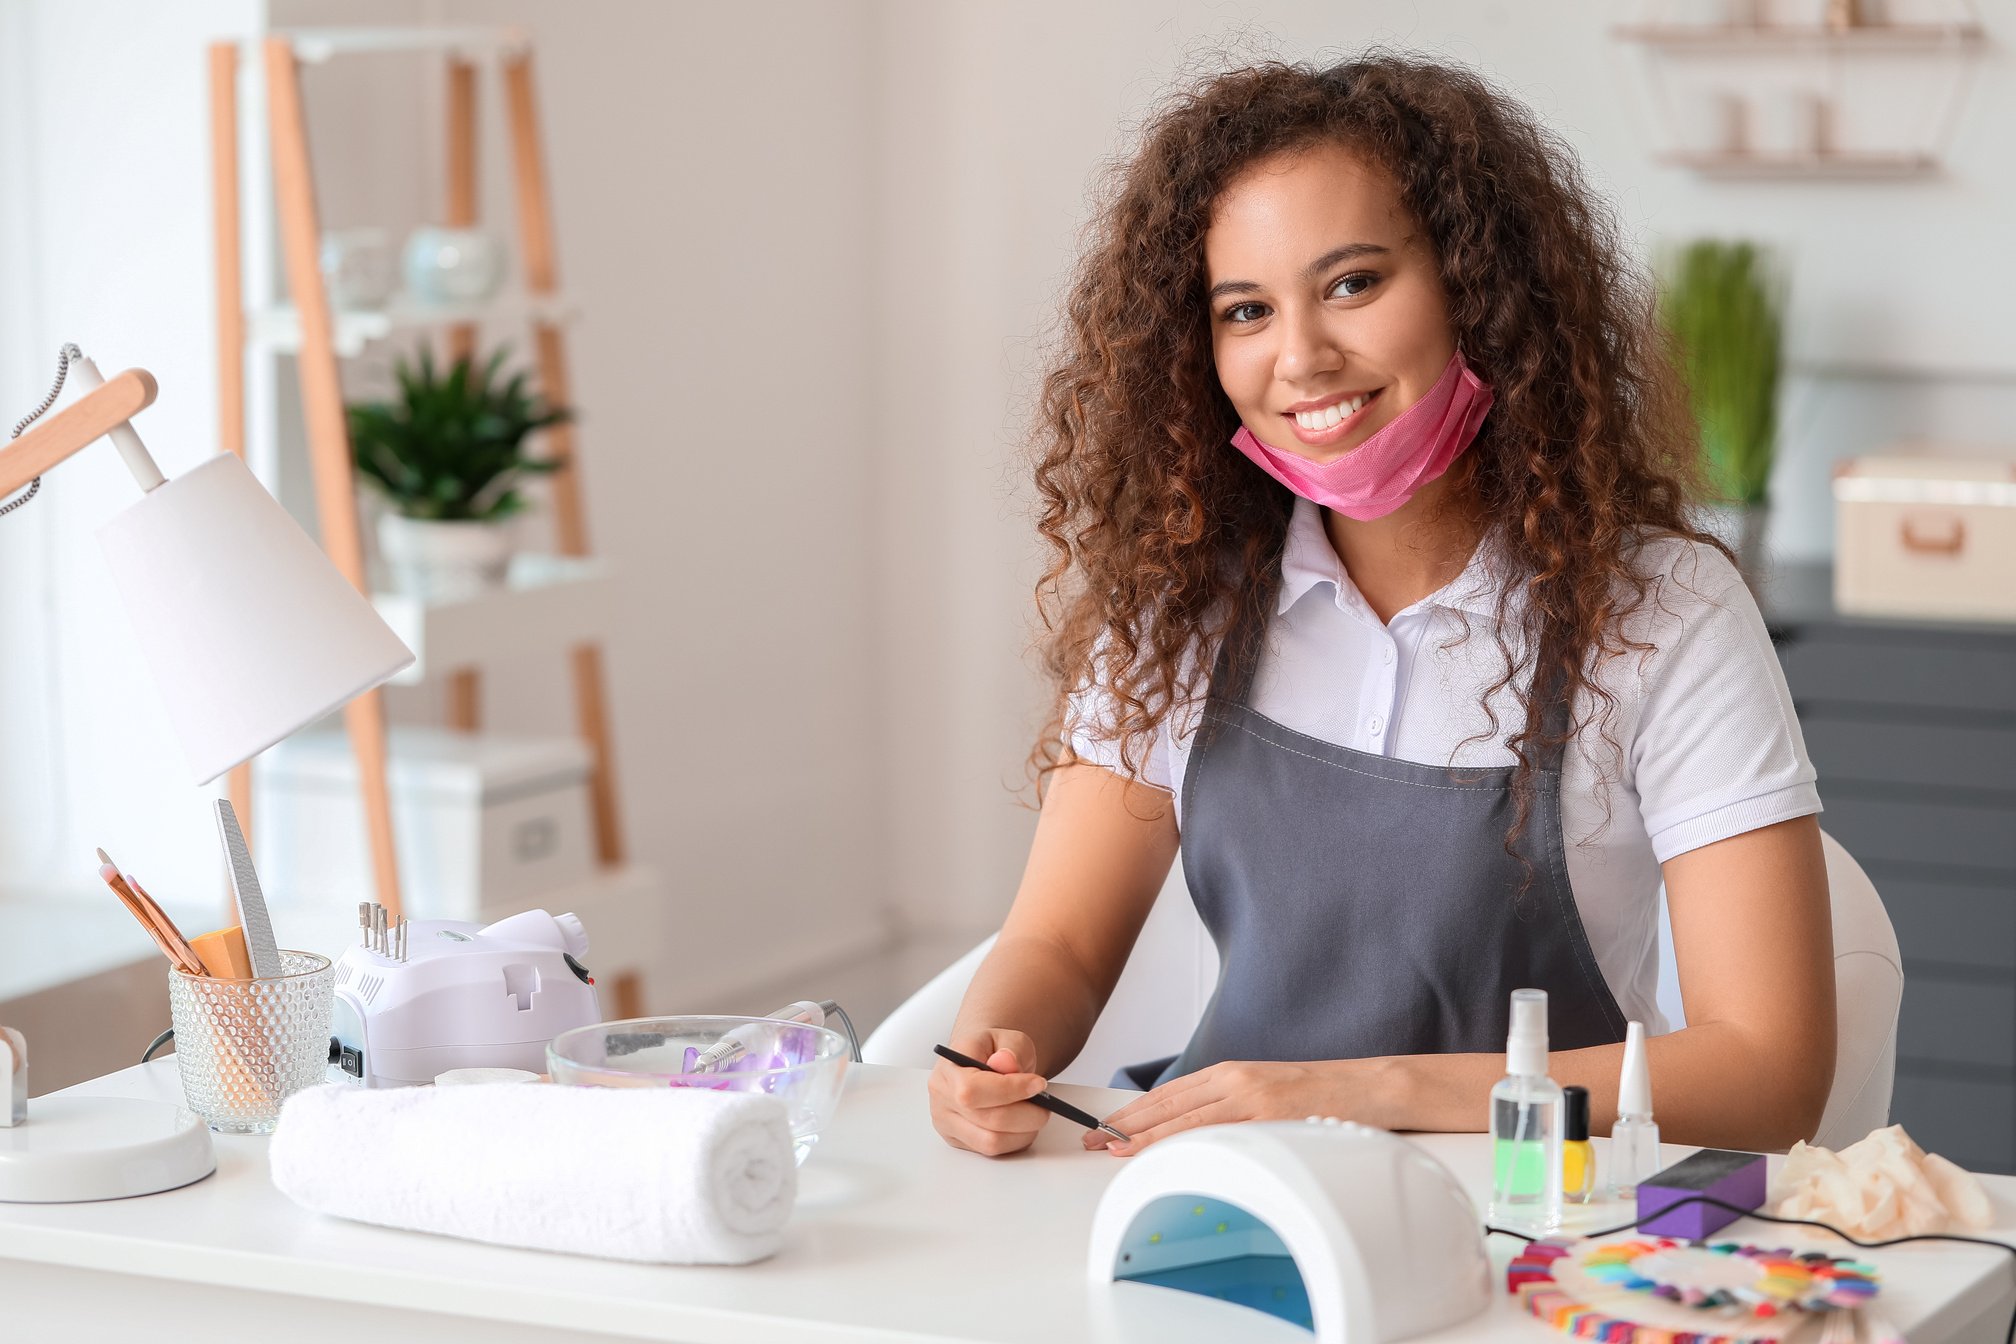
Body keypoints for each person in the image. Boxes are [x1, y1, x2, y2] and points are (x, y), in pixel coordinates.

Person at [927, 52, 1834, 1160]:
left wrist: (1366, 1091)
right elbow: (1059, 946)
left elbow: (1769, 1073)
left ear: (1478, 286)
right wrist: (993, 1050)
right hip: (1226, 1201)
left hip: (1534, 1236)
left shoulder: (1661, 612)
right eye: (1246, 310)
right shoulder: (1182, 604)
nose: (1301, 356)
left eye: (1354, 283)